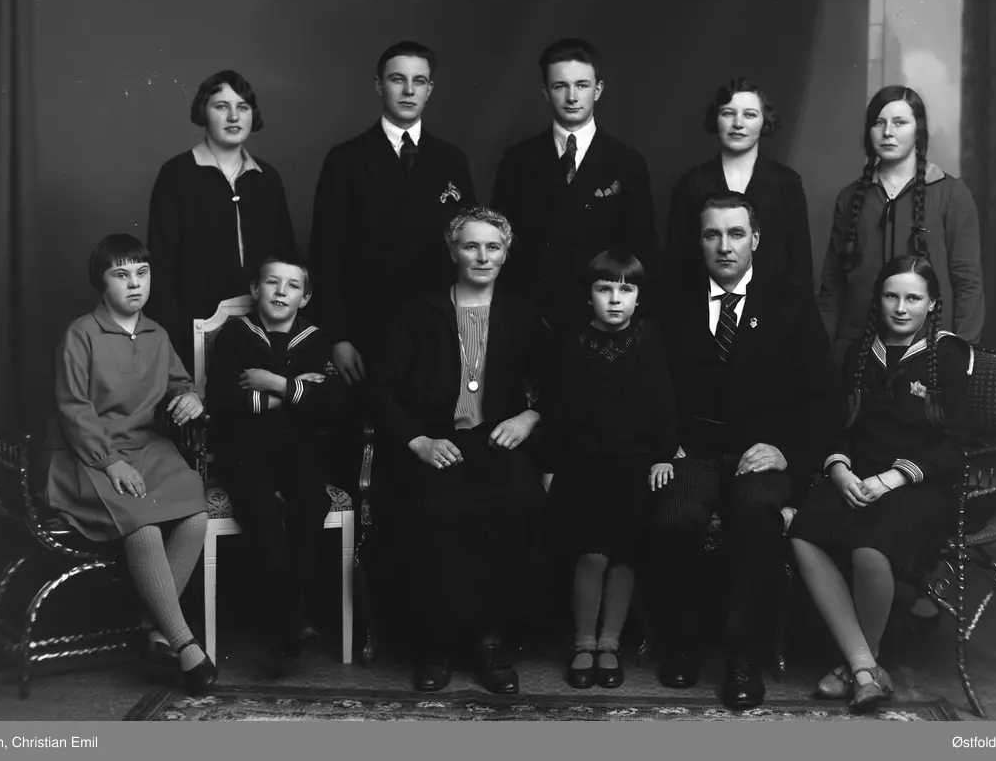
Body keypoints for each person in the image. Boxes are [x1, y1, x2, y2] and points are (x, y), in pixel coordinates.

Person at [650, 194, 840, 709]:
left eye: (736, 234)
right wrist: (668, 446)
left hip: (761, 453)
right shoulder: (673, 300)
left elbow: (825, 397)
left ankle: (743, 654)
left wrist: (786, 452)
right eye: (712, 234)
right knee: (676, 513)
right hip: (694, 451)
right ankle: (684, 643)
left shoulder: (789, 302)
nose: (724, 246)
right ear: (699, 242)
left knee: (756, 513)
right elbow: (652, 384)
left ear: (755, 239)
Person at [370, 207, 550, 695]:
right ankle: (438, 645)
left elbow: (558, 384)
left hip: (497, 440)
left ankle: (490, 642)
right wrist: (418, 441)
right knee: (437, 514)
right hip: (437, 443)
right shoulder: (418, 312)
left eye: (493, 247)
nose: (482, 256)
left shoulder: (522, 314)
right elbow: (380, 388)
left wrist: (528, 418)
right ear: (453, 252)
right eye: (471, 246)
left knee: (519, 504)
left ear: (506, 254)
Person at [790, 255, 972, 713]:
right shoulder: (859, 352)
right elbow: (842, 430)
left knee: (869, 546)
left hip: (920, 484)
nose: (901, 307)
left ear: (933, 303)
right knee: (804, 530)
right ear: (879, 300)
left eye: (913, 298)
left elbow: (955, 447)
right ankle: (866, 668)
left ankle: (858, 666)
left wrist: (892, 479)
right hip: (860, 476)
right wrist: (839, 470)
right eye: (891, 296)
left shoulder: (950, 354)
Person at [43, 234, 216, 695]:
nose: (134, 284)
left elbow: (178, 382)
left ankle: (152, 625)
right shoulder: (81, 334)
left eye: (142, 273)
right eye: (121, 275)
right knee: (143, 524)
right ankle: (184, 644)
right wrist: (110, 463)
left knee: (195, 512)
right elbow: (73, 408)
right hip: (89, 453)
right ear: (102, 284)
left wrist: (190, 397)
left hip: (146, 446)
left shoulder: (157, 334)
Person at [307, 41, 475, 487]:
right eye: (398, 79)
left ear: (430, 89)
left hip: (436, 333)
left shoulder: (451, 160)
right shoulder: (346, 159)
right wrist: (338, 336)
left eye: (419, 81)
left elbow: (471, 251)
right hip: (368, 334)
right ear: (379, 85)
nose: (408, 90)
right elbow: (325, 253)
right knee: (369, 458)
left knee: (434, 459)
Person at [204, 250, 348, 672]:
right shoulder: (235, 334)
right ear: (255, 288)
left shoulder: (316, 339)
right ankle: (288, 614)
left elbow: (331, 405)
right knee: (261, 510)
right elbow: (222, 401)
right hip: (244, 451)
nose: (281, 292)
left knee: (311, 502)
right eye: (272, 282)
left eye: (293, 285)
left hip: (298, 450)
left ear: (305, 297)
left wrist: (273, 383)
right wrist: (291, 393)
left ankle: (291, 606)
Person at [541, 251, 678, 690]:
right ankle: (583, 640)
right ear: (589, 296)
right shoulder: (572, 342)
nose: (615, 299)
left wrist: (663, 455)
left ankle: (610, 642)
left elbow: (665, 402)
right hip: (583, 465)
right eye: (604, 289)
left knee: (624, 554)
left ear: (638, 297)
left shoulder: (650, 338)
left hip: (636, 465)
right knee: (592, 553)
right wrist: (549, 465)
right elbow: (556, 408)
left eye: (626, 289)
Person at [491, 38, 657, 335]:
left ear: (598, 90)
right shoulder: (518, 160)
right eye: (560, 86)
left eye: (581, 85)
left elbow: (642, 251)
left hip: (601, 322)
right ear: (545, 91)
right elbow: (500, 245)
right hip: (531, 320)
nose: (571, 97)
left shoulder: (628, 163)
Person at [818, 84, 984, 368]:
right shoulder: (851, 197)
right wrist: (826, 349)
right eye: (878, 123)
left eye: (899, 122)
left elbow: (968, 282)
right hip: (856, 349)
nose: (887, 132)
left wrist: (961, 350)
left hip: (930, 351)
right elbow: (832, 285)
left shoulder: (951, 193)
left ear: (918, 130)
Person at [146, 70, 299, 374]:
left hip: (264, 325)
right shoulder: (176, 175)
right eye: (221, 106)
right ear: (203, 111)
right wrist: (175, 336)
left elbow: (287, 255)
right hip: (192, 327)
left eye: (242, 107)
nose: (233, 116)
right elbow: (161, 266)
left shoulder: (267, 178)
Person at [663, 77, 814, 297]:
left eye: (749, 114)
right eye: (728, 113)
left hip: (772, 308)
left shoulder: (787, 183)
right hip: (703, 306)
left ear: (764, 120)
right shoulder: (691, 183)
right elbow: (675, 265)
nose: (738, 124)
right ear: (716, 119)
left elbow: (800, 267)